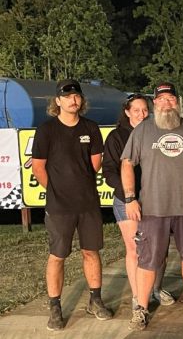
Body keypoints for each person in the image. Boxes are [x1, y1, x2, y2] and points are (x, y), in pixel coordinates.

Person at [32, 79, 113, 331]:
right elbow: (38, 168)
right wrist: (57, 191)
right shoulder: (47, 130)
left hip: (88, 203)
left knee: (91, 251)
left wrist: (79, 185)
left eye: (76, 96)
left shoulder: (91, 127)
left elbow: (95, 163)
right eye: (67, 96)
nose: (72, 100)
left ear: (81, 100)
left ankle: (95, 299)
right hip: (59, 207)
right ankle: (55, 307)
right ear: (58, 101)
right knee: (57, 256)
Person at [121, 82, 183, 331]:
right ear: (154, 103)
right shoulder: (143, 130)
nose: (167, 103)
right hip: (153, 208)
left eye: (171, 99)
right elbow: (126, 163)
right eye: (162, 99)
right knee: (148, 260)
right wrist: (130, 197)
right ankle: (141, 309)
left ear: (177, 102)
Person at [102, 93, 176, 310]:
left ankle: (155, 288)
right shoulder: (117, 137)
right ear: (127, 112)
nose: (142, 114)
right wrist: (129, 196)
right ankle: (138, 296)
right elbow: (109, 171)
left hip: (156, 198)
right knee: (135, 248)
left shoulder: (158, 131)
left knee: (159, 247)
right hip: (127, 200)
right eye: (137, 110)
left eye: (145, 110)